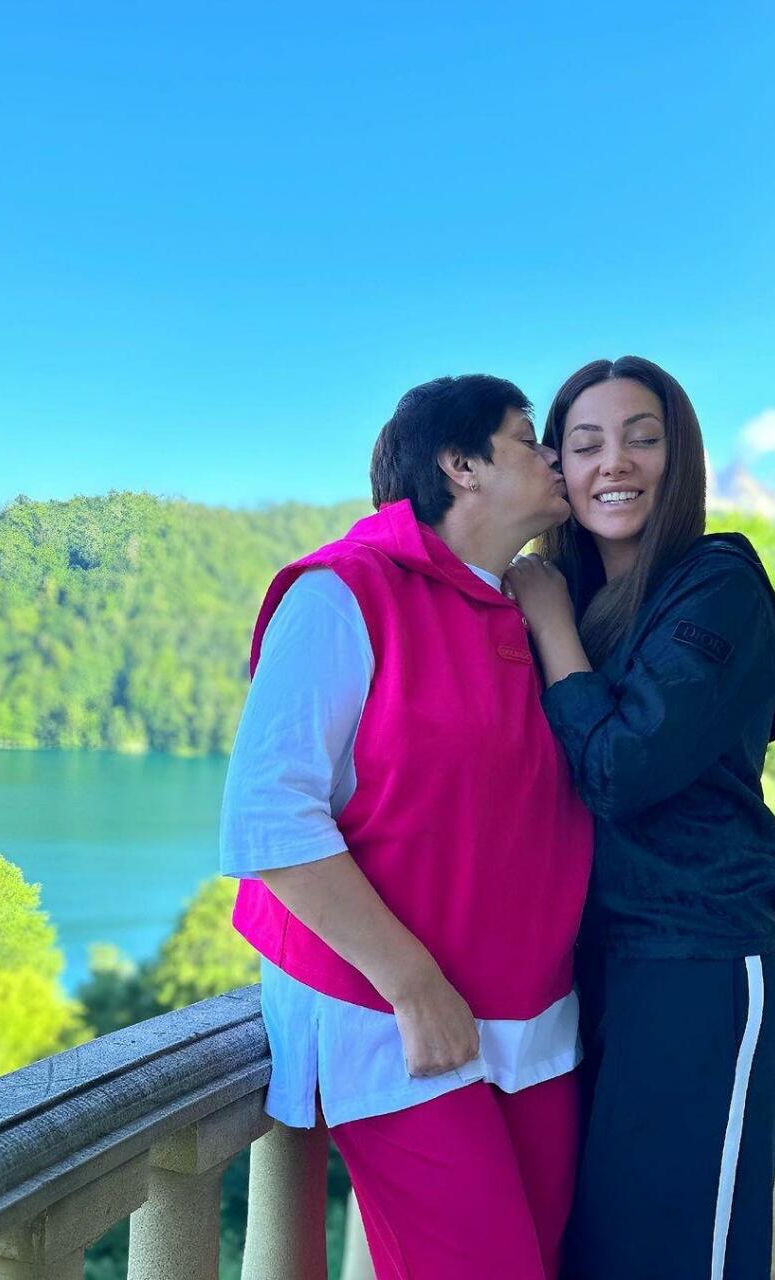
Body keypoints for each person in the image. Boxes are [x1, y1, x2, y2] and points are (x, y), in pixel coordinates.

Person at [220, 374, 594, 1279]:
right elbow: (269, 815)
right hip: (393, 1014)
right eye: (527, 438)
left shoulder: (535, 609)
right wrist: (413, 985)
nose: (553, 456)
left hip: (533, 1011)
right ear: (460, 465)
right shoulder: (343, 593)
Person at [504, 356, 775, 1280]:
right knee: (601, 1255)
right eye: (585, 443)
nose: (614, 463)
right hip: (585, 969)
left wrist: (549, 622)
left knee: (682, 1256)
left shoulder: (718, 581)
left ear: (682, 458)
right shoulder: (577, 597)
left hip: (698, 963)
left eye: (642, 438)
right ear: (557, 466)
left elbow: (622, 769)